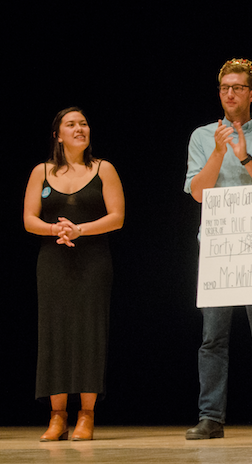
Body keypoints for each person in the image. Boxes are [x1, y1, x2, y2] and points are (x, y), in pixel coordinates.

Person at [183, 58, 252, 440]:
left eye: (238, 88)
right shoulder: (201, 136)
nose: (230, 94)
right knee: (213, 337)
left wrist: (244, 156)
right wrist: (218, 151)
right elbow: (198, 192)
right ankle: (210, 417)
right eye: (225, 88)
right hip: (216, 249)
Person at [24, 107, 125, 441]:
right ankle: (57, 416)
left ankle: (86, 415)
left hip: (93, 262)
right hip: (53, 262)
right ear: (58, 135)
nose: (79, 128)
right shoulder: (41, 171)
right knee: (53, 335)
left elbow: (117, 217)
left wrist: (80, 229)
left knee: (89, 334)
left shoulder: (103, 169)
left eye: (83, 123)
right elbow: (29, 219)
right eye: (71, 124)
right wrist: (57, 230)